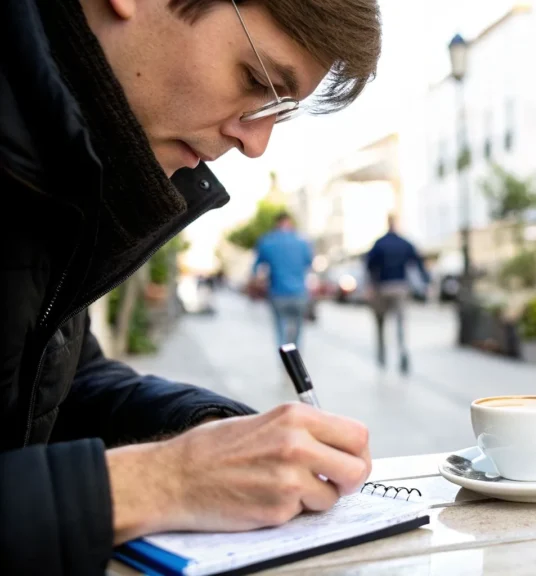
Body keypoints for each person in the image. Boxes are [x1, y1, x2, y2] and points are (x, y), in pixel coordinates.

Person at [0, 0, 381, 573]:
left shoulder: (59, 161)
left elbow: (60, 382)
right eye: (256, 81)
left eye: (279, 112)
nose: (256, 144)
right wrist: (162, 481)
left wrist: (211, 431)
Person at [364, 215, 430, 373]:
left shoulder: (379, 243)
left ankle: (381, 355)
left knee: (380, 322)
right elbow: (418, 261)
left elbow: (369, 264)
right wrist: (426, 281)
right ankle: (402, 353)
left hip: (383, 287)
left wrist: (370, 285)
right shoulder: (404, 243)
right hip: (400, 287)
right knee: (400, 323)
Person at [253, 212, 314, 349]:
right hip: (299, 293)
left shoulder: (267, 241)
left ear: (276, 224)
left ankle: (284, 357)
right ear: (290, 223)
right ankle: (295, 356)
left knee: (280, 328)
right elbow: (309, 264)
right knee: (298, 329)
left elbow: (257, 267)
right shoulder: (302, 242)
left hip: (277, 292)